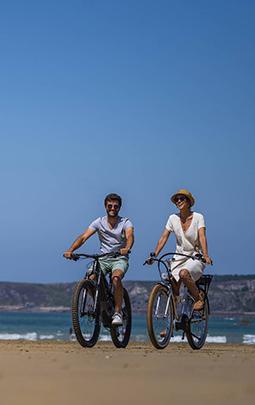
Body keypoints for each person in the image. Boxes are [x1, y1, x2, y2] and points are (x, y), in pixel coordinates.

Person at [63, 193, 134, 326]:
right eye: (110, 206)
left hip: (119, 258)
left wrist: (127, 247)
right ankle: (102, 305)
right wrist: (71, 250)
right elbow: (84, 237)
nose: (112, 208)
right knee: (90, 278)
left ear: (119, 208)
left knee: (116, 278)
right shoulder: (99, 222)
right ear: (105, 206)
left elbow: (130, 236)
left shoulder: (125, 222)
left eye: (115, 206)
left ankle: (118, 312)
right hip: (103, 258)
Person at [147, 189, 212, 310]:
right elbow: (163, 237)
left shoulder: (198, 217)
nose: (178, 201)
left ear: (188, 202)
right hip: (178, 257)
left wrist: (206, 255)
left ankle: (198, 298)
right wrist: (154, 254)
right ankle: (173, 320)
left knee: (183, 274)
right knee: (172, 282)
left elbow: (202, 236)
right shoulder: (172, 218)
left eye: (181, 198)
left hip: (195, 257)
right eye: (176, 199)